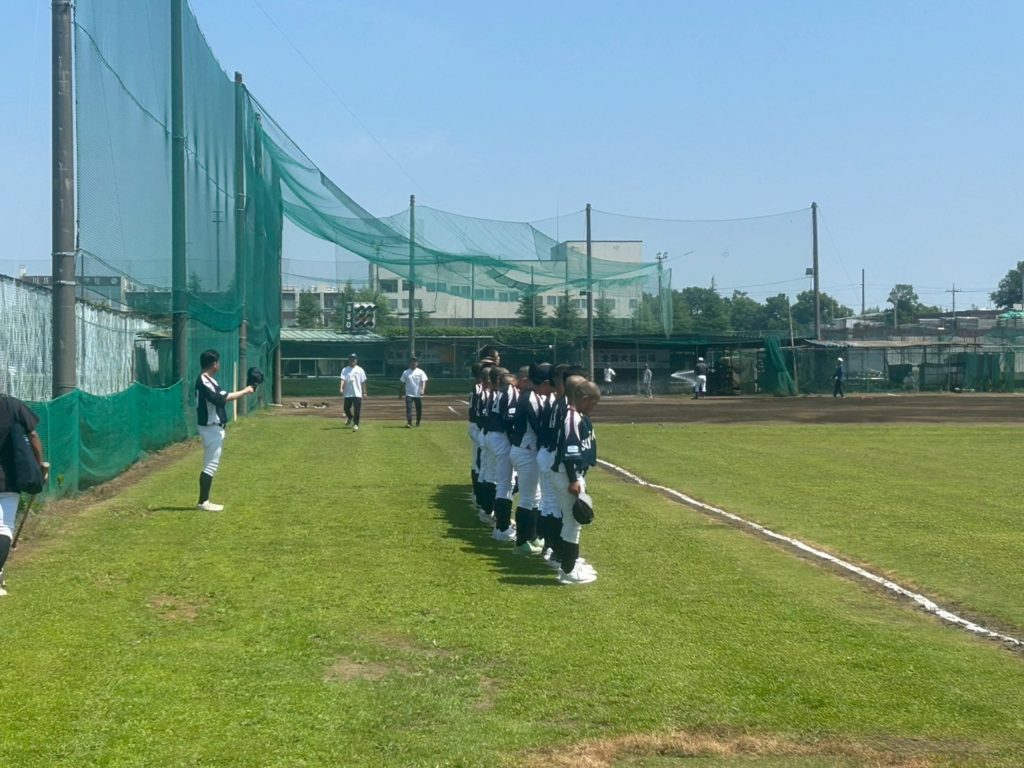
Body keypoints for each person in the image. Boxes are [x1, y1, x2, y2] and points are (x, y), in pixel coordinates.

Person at [551, 378, 601, 585]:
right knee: (573, 523)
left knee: (571, 522)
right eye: (593, 404)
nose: (593, 408)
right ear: (585, 399)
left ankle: (570, 565)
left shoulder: (576, 416)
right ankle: (568, 571)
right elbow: (570, 453)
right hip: (567, 475)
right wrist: (573, 480)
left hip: (568, 474)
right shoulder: (572, 418)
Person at [195, 349, 256, 512]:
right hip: (210, 428)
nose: (219, 364)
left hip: (214, 427)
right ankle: (203, 502)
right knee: (210, 465)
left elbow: (221, 395)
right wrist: (245, 391)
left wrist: (246, 390)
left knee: (211, 464)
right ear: (214, 364)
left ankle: (204, 501)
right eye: (218, 362)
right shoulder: (204, 380)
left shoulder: (209, 380)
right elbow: (220, 399)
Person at [0, 394, 49, 596]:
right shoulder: (12, 405)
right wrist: (38, 465)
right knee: (4, 527)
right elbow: (33, 436)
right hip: (9, 478)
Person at [340, 353, 368, 430]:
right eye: (351, 359)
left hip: (357, 393)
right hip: (348, 393)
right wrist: (341, 388)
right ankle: (350, 417)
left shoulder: (360, 370)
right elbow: (342, 379)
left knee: (357, 410)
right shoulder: (345, 370)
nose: (353, 360)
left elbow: (363, 382)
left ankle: (356, 424)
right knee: (346, 408)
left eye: (354, 359)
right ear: (349, 360)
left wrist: (364, 392)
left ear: (356, 360)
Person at [400, 356, 428, 428]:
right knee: (409, 409)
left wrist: (422, 389)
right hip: (409, 394)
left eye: (415, 362)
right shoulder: (406, 372)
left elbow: (423, 381)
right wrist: (401, 392)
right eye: (412, 362)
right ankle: (409, 423)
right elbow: (402, 382)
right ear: (409, 363)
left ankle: (418, 422)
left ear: (417, 363)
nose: (413, 363)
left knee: (419, 409)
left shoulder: (420, 372)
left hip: (418, 394)